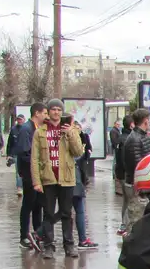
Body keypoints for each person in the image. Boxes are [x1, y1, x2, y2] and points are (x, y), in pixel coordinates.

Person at [31, 99, 85, 258]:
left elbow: (78, 152)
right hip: (48, 178)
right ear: (48, 112)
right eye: (53, 109)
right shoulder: (40, 132)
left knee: (67, 213)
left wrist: (70, 134)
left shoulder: (71, 130)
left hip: (66, 178)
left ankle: (69, 245)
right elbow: (34, 158)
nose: (56, 113)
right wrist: (36, 181)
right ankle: (48, 245)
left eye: (59, 110)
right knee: (48, 213)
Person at [17, 104, 46, 246]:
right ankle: (23, 236)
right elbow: (24, 153)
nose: (46, 116)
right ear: (37, 113)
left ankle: (38, 233)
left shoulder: (38, 128)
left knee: (38, 204)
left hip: (39, 173)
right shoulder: (26, 129)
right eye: (44, 113)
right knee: (28, 204)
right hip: (29, 173)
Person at [120, 110, 150, 235]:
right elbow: (137, 165)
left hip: (140, 185)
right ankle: (131, 248)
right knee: (135, 220)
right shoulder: (135, 139)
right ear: (145, 121)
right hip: (137, 186)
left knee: (139, 218)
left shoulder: (141, 137)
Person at [71, 150, 98, 250]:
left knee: (64, 211)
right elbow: (77, 155)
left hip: (72, 180)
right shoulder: (71, 137)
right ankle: (82, 240)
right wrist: (83, 151)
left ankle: (40, 233)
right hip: (73, 180)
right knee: (79, 210)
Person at [113, 115, 132, 196]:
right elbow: (125, 160)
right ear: (131, 125)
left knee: (126, 200)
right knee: (129, 199)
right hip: (125, 174)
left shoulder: (122, 137)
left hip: (121, 173)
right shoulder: (128, 139)